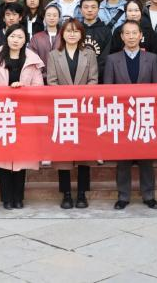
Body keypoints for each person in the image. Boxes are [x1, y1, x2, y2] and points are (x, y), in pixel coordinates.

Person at [0, 24, 45, 209]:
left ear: (25, 40)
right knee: (1, 156)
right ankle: (6, 198)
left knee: (21, 157)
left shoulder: (32, 60)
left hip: (24, 114)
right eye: (12, 36)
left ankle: (18, 197)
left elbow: (39, 88)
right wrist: (7, 90)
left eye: (20, 37)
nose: (16, 40)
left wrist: (22, 89)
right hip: (1, 112)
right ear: (6, 37)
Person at [104, 20, 157, 210]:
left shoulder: (151, 58)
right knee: (123, 159)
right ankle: (123, 196)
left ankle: (149, 195)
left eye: (134, 33)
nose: (131, 37)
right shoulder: (112, 59)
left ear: (140, 35)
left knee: (146, 159)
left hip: (145, 116)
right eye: (127, 33)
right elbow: (108, 91)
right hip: (122, 116)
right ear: (121, 36)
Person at [47, 18, 99, 209]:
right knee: (64, 155)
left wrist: (80, 96)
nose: (72, 34)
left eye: (76, 31)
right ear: (62, 34)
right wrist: (68, 97)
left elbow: (93, 80)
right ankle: (67, 194)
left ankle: (82, 193)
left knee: (84, 155)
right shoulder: (54, 55)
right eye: (68, 31)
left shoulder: (89, 54)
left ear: (81, 34)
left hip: (84, 110)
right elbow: (51, 82)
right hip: (64, 110)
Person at [79, 0, 112, 79]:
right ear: (80, 10)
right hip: (78, 73)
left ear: (98, 9)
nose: (89, 10)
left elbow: (106, 55)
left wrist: (95, 71)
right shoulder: (76, 29)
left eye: (93, 7)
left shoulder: (106, 30)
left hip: (100, 74)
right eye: (86, 7)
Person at [27, 4, 61, 83]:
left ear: (59, 18)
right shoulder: (36, 37)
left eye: (55, 15)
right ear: (44, 17)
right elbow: (32, 58)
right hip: (40, 78)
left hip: (62, 79)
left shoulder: (64, 36)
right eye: (48, 15)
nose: (51, 18)